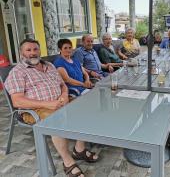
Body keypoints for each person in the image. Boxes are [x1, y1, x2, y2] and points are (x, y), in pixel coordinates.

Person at [4, 39, 99, 177]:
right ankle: (67, 162)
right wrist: (47, 104)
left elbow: (63, 85)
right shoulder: (18, 72)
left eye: (35, 49)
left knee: (85, 107)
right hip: (34, 109)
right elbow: (17, 101)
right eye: (28, 50)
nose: (32, 53)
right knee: (57, 120)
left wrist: (65, 95)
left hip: (59, 102)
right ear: (21, 53)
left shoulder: (49, 65)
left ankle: (79, 149)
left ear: (40, 51)